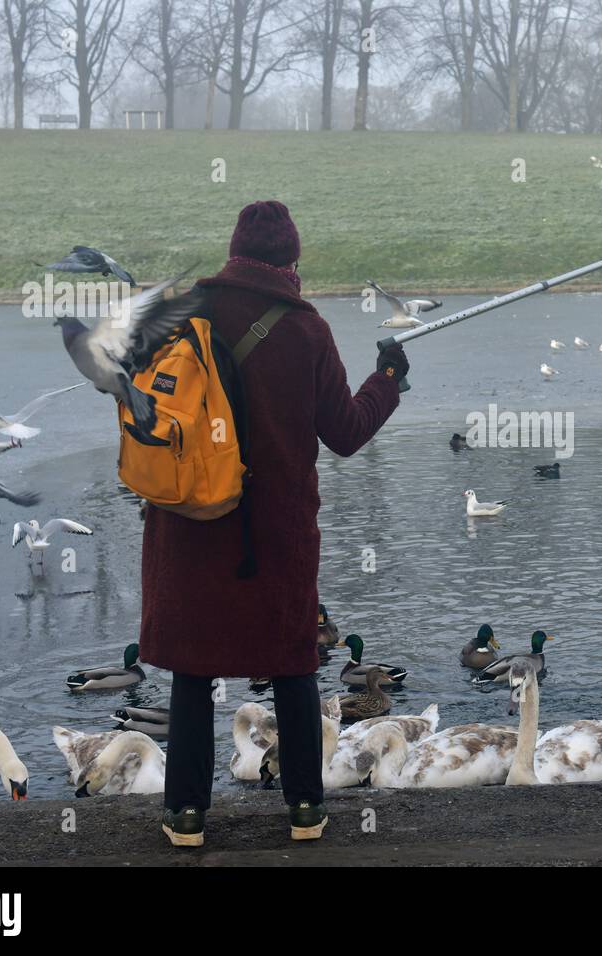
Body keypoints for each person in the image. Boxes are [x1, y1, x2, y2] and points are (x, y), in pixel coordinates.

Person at [139, 200, 406, 847]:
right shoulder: (305, 329)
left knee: (193, 671)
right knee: (292, 666)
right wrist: (389, 378)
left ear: (233, 253)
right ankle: (306, 810)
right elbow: (345, 431)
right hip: (275, 533)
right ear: (292, 262)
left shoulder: (181, 313)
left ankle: (186, 818)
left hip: (189, 520)